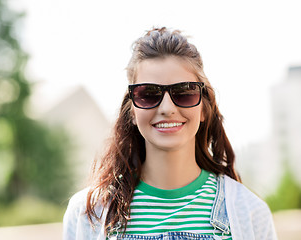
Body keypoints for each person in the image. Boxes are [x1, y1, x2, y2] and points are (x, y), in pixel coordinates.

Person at [63, 27, 277, 240]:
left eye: (184, 92)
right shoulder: (87, 214)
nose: (167, 108)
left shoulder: (250, 213)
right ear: (132, 112)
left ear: (203, 108)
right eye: (148, 94)